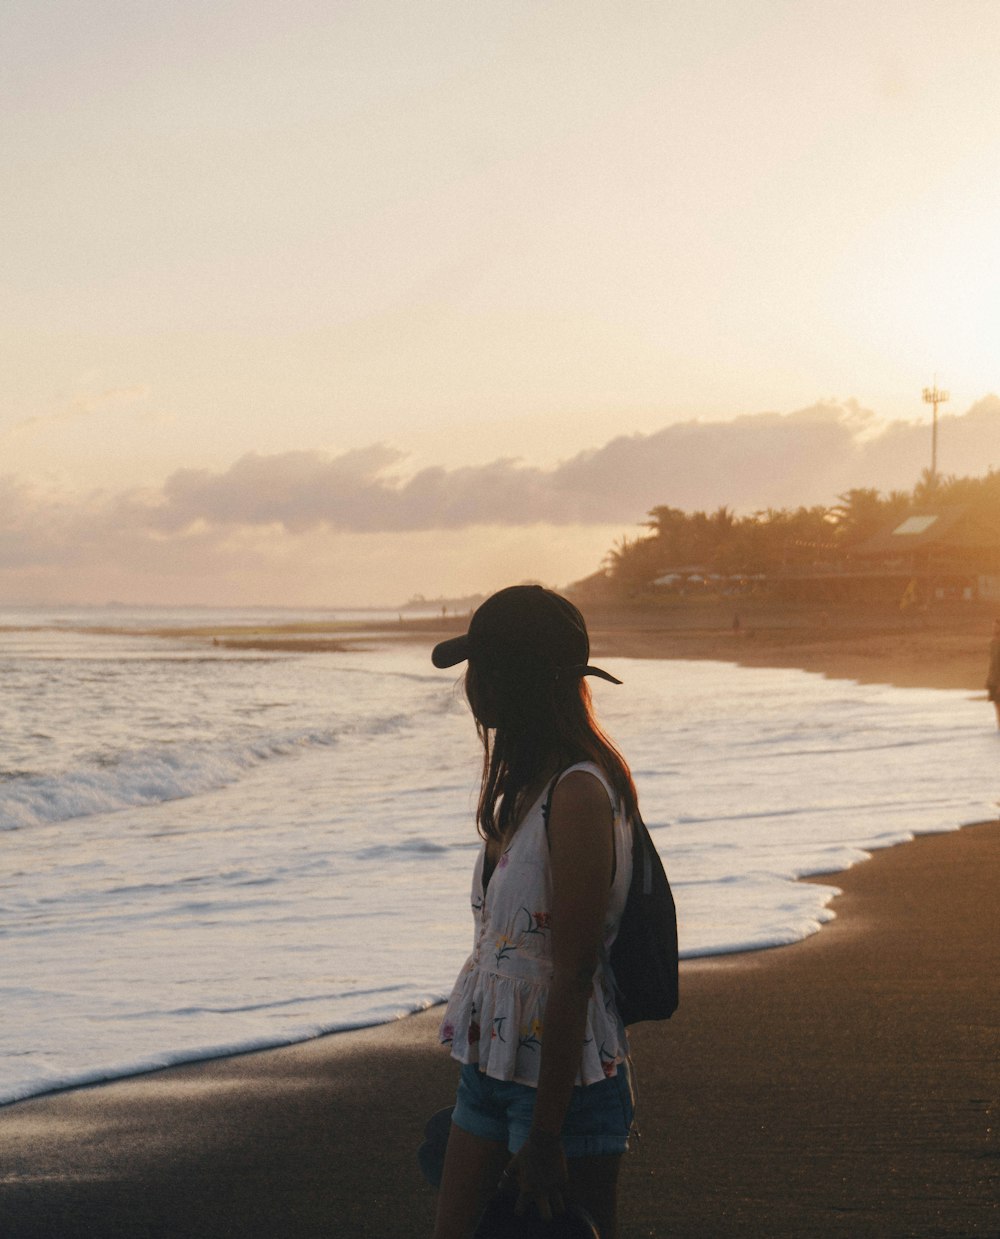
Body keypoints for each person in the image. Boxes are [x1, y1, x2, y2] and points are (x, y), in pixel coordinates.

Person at [430, 585, 639, 1239]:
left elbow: (573, 969)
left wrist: (547, 1135)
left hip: (564, 1087)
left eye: (482, 666)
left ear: (520, 678)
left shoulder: (578, 793)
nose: (470, 684)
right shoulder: (529, 784)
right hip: (490, 1069)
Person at [985, 618, 1000, 730]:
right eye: (993, 626)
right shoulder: (993, 642)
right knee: (996, 706)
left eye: (996, 626)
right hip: (992, 680)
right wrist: (988, 680)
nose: (994, 628)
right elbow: (992, 663)